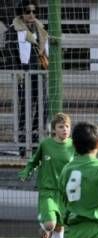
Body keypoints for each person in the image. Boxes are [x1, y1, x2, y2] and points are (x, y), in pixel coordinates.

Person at [18, 113, 74, 238]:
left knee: (59, 229)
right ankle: (44, 226)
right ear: (54, 129)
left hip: (65, 194)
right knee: (51, 224)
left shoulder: (74, 146)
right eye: (61, 127)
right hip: (47, 191)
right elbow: (34, 161)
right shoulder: (46, 144)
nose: (64, 129)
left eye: (67, 126)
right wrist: (26, 171)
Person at [5, 0, 49, 156]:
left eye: (34, 11)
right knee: (24, 108)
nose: (31, 14)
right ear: (21, 13)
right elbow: (10, 55)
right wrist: (18, 74)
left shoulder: (41, 28)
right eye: (27, 11)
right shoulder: (13, 30)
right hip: (24, 75)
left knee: (44, 105)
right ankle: (23, 143)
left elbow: (45, 50)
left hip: (40, 73)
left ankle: (36, 139)